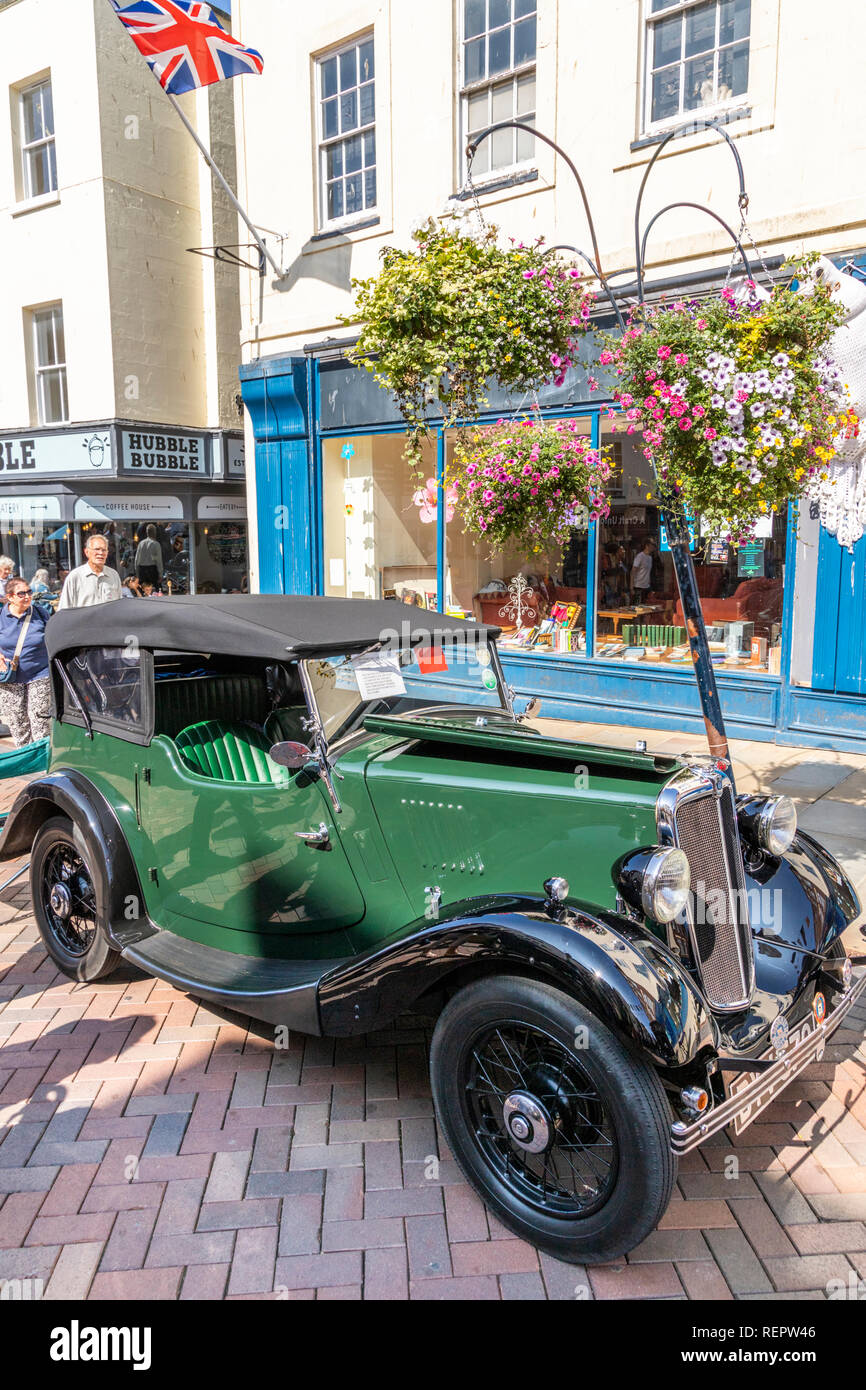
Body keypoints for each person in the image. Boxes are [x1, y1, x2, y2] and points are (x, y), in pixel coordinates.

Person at [0, 577, 52, 747]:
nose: (27, 596)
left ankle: (42, 760)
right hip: (10, 677)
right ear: (10, 597)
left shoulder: (40, 612)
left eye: (29, 592)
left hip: (40, 673)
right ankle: (25, 756)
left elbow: (53, 636)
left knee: (39, 718)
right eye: (21, 593)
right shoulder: (2, 617)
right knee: (17, 720)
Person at [58, 533, 122, 609]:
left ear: (107, 553)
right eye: (97, 549)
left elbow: (119, 607)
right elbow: (64, 610)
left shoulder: (113, 575)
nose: (101, 553)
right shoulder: (75, 577)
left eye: (104, 550)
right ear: (87, 552)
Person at [135, 525, 164, 591]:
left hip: (142, 570)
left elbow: (136, 560)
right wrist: (160, 574)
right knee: (156, 592)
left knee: (143, 592)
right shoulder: (156, 544)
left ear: (147, 532)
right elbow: (159, 561)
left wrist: (137, 573)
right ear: (155, 532)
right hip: (152, 571)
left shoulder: (141, 544)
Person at [631, 540, 655, 607]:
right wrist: (631, 587)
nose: (653, 547)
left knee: (647, 606)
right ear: (647, 546)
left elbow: (648, 572)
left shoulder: (650, 558)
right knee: (638, 607)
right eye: (651, 545)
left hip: (646, 586)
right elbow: (633, 571)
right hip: (638, 586)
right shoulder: (640, 556)